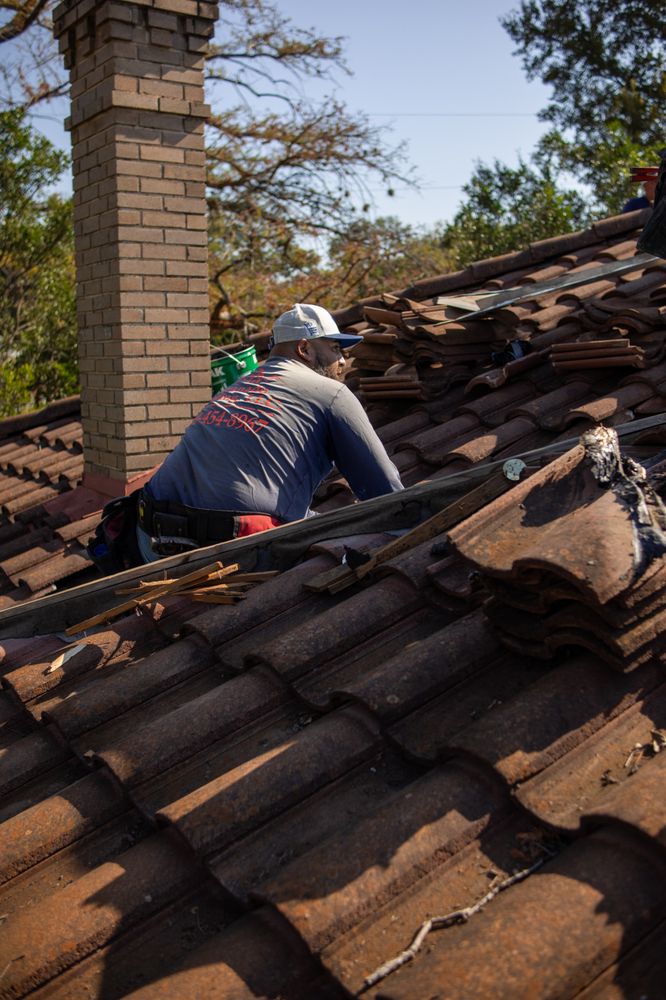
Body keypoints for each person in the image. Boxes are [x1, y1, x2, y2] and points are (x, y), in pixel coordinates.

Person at [136, 303, 403, 562]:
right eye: (335, 348)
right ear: (304, 348)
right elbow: (387, 495)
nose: (343, 360)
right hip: (228, 550)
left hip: (149, 540)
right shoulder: (331, 393)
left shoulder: (237, 387)